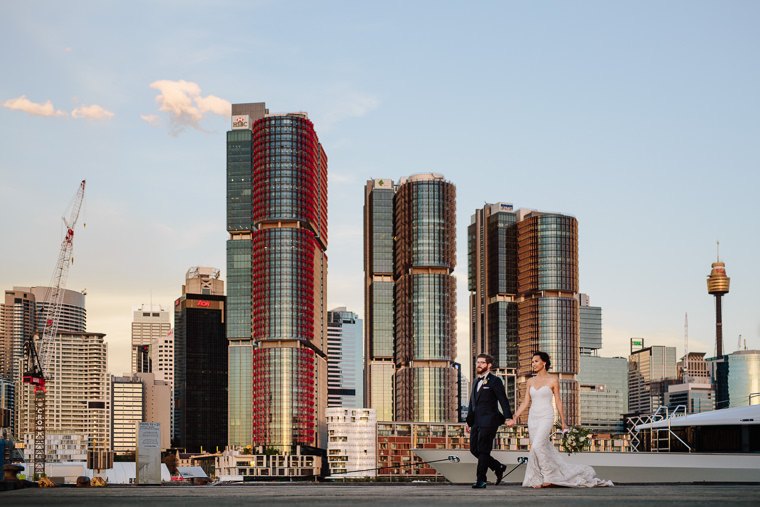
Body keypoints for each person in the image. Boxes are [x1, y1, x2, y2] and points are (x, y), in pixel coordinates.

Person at [506, 351, 613, 488]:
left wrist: (564, 423)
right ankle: (537, 479)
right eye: (532, 362)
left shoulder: (553, 380)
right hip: (533, 418)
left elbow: (558, 401)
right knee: (538, 447)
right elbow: (526, 402)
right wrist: (514, 417)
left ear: (544, 363)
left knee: (538, 445)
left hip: (546, 415)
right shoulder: (530, 381)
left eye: (536, 361)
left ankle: (549, 477)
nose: (533, 364)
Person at [466, 353, 512, 488]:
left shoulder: (495, 381)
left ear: (489, 365)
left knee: (484, 450)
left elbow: (503, 400)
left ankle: (481, 480)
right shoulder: (475, 382)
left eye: (482, 362)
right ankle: (498, 466)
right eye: (477, 362)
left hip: (489, 421)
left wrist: (508, 417)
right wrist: (468, 422)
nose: (479, 365)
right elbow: (472, 404)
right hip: (476, 422)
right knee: (474, 450)